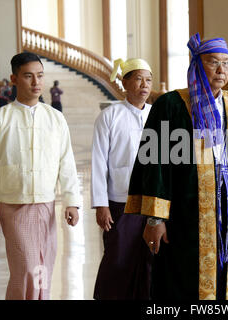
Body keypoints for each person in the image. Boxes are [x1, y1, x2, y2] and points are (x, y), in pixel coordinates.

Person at [124, 33, 228, 300]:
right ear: (198, 65)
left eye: (226, 63)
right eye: (213, 62)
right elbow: (155, 165)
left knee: (227, 283)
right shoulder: (171, 106)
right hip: (184, 219)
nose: (221, 69)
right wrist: (155, 219)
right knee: (181, 285)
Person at [0, 52, 80, 299]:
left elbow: (66, 162)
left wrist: (71, 202)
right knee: (24, 269)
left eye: (40, 76)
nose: (36, 82)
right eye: (28, 76)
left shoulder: (55, 119)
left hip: (45, 204)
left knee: (43, 267)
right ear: (14, 79)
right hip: (12, 205)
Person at [91, 58, 153, 300]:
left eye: (148, 80)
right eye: (138, 78)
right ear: (125, 83)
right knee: (118, 258)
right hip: (120, 201)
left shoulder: (157, 115)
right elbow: (97, 162)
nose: (144, 85)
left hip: (151, 203)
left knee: (148, 260)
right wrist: (101, 204)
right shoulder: (110, 116)